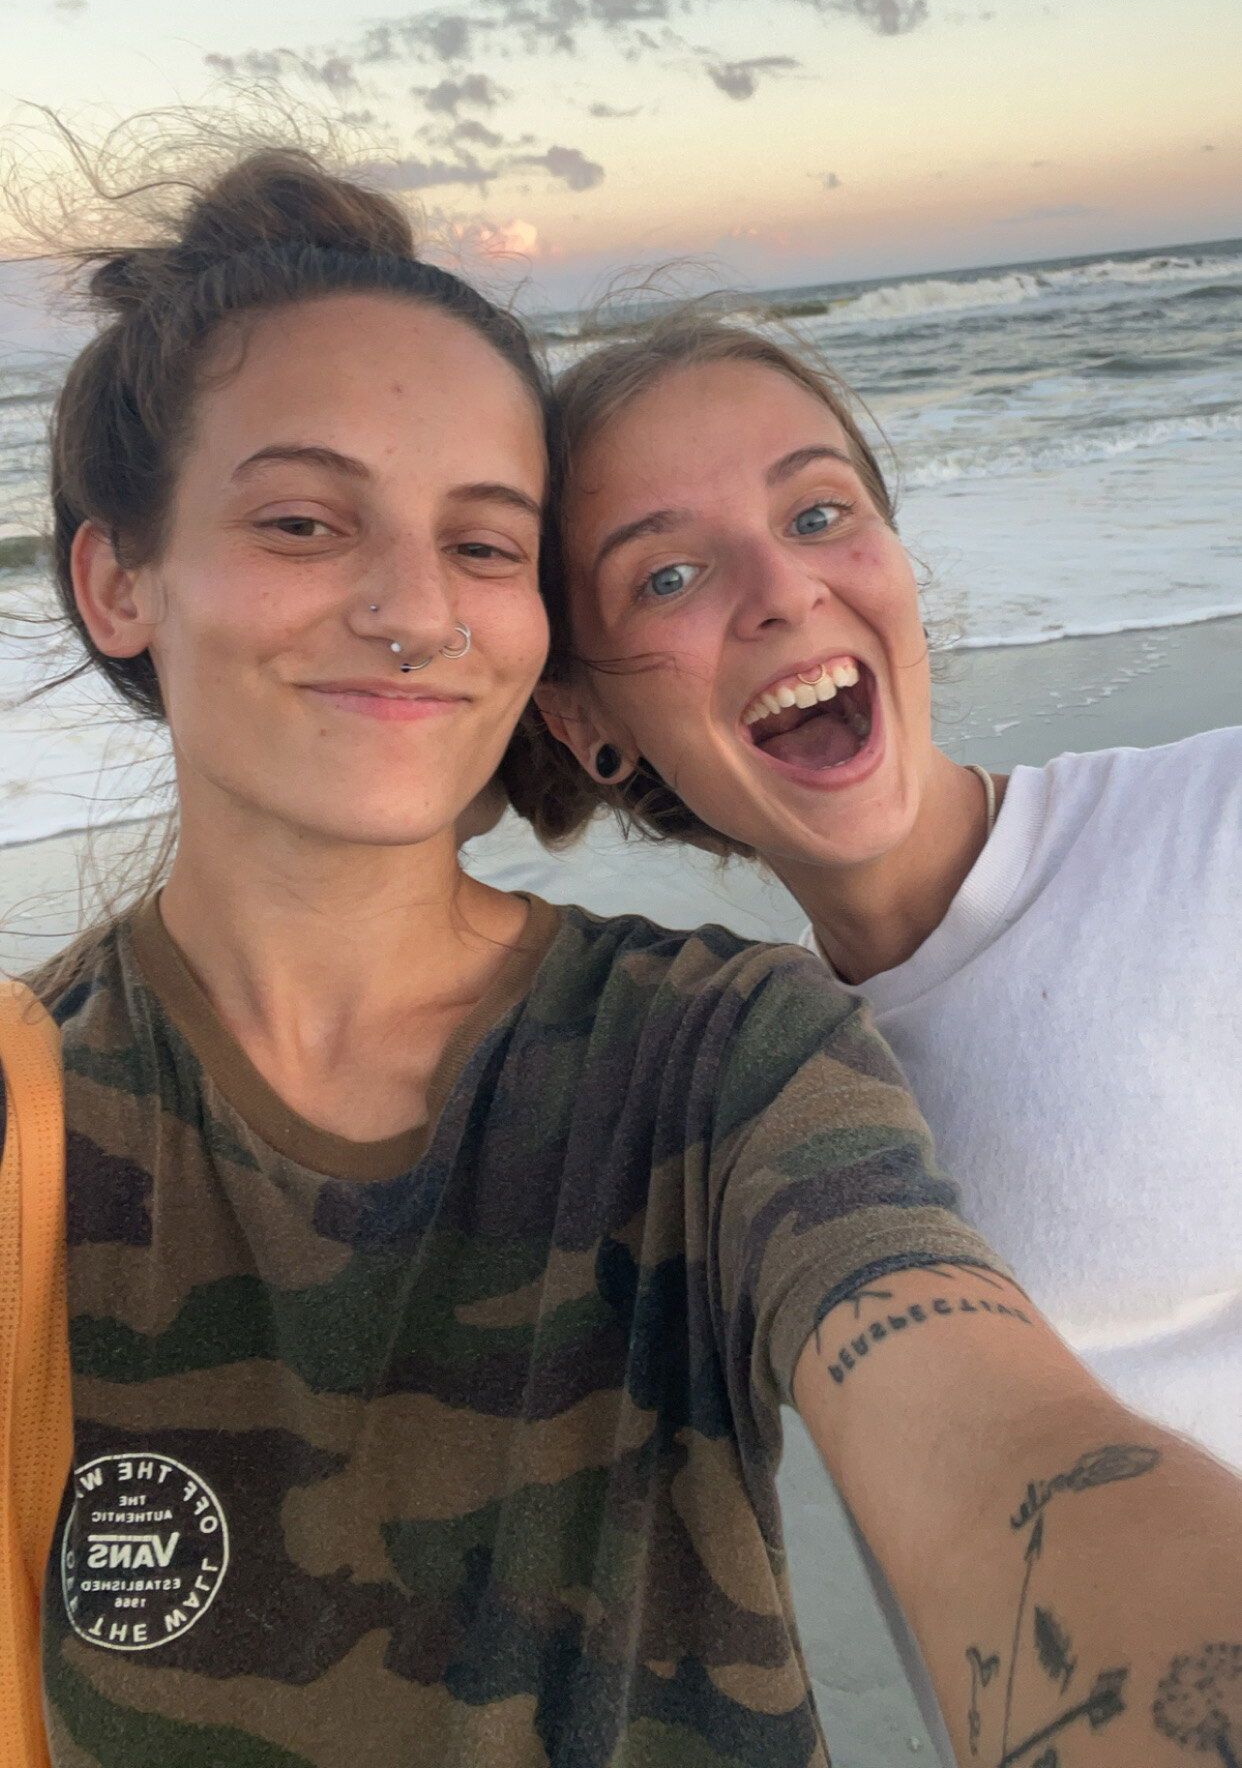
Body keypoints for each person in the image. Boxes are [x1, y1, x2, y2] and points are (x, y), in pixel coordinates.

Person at [4, 157, 1238, 1768]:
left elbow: (1001, 1454)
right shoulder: (31, 1110)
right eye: (303, 522)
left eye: (484, 544)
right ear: (117, 581)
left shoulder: (724, 1059)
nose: (412, 608)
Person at [521, 312, 1242, 1474]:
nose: (781, 588)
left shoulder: (1212, 827)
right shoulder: (749, 1093)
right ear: (585, 720)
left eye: (817, 515)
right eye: (668, 575)